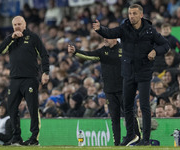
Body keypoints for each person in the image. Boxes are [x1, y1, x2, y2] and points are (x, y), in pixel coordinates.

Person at [93, 4, 170, 146]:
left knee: (145, 106)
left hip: (144, 72)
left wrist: (155, 51)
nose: (131, 16)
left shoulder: (150, 31)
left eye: (134, 13)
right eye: (129, 13)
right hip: (128, 73)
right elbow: (111, 33)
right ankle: (131, 135)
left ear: (141, 15)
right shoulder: (124, 28)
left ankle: (145, 139)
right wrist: (100, 30)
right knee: (127, 106)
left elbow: (165, 45)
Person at [68, 38, 141, 146]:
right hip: (109, 90)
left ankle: (138, 138)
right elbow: (89, 55)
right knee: (114, 118)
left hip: (124, 89)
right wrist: (76, 52)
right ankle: (117, 144)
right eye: (104, 38)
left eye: (107, 37)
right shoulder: (103, 51)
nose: (104, 39)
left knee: (129, 114)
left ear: (115, 39)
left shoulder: (125, 49)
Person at [0, 16, 49, 146]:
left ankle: (34, 138)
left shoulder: (33, 37)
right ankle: (16, 138)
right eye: (15, 25)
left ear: (24, 24)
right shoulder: (11, 39)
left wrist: (45, 72)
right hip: (14, 79)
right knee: (12, 109)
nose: (17, 26)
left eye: (19, 24)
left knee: (32, 108)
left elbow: (44, 54)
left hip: (30, 78)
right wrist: (11, 38)